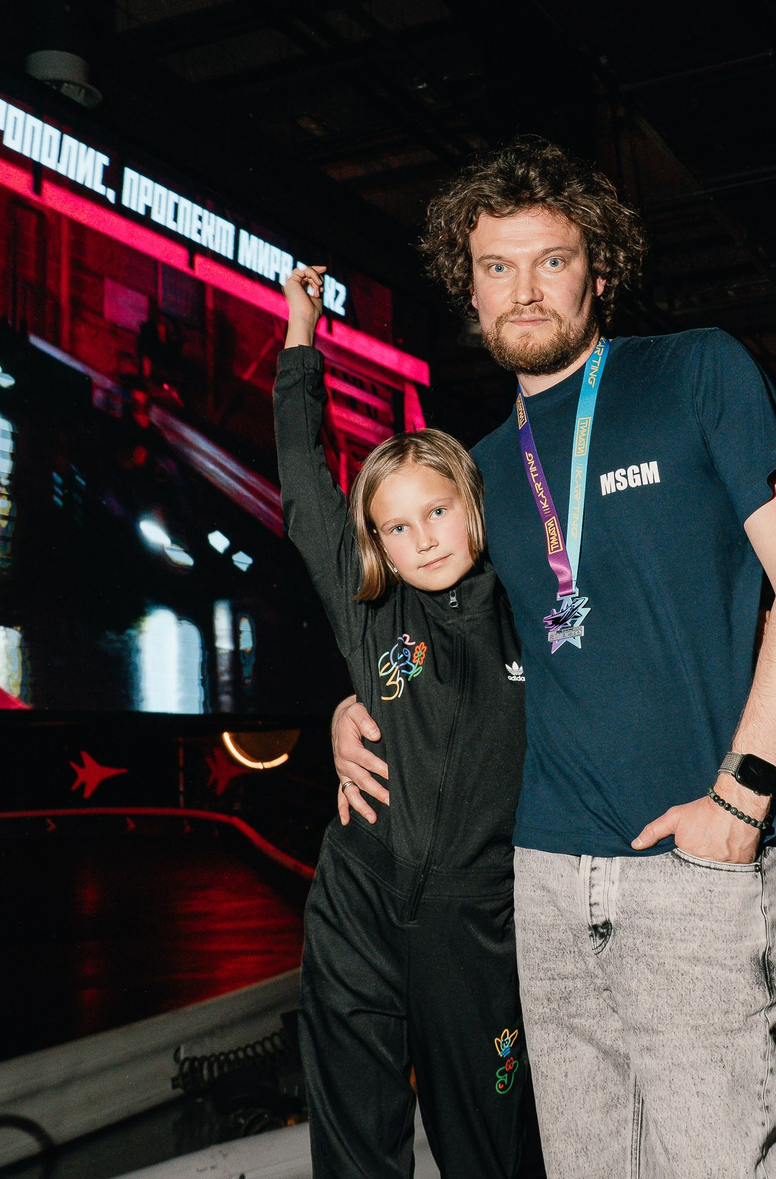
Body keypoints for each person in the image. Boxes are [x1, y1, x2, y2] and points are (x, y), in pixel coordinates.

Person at [330, 138, 776, 1177]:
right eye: (497, 266)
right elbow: (444, 643)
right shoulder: (476, 474)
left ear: (599, 270)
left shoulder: (698, 371)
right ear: (469, 288)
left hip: (695, 865)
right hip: (542, 878)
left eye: (552, 260)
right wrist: (355, 706)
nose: (524, 289)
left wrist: (740, 801)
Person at [275, 263, 532, 1178]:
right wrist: (300, 334)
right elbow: (303, 481)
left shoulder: (540, 618)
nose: (421, 537)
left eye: (437, 511)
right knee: (355, 1138)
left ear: (472, 505)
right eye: (395, 527)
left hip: (475, 925)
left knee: (488, 1147)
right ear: (374, 544)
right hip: (358, 898)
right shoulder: (372, 614)